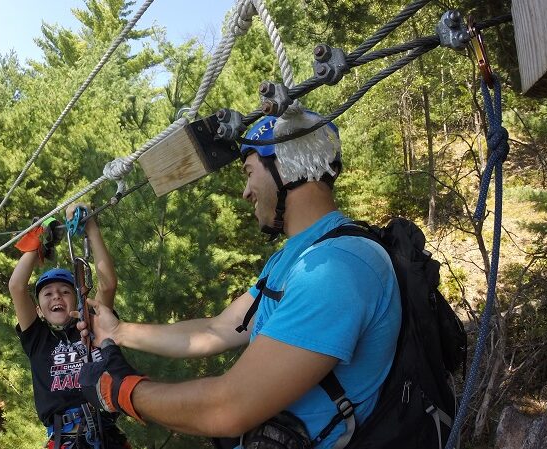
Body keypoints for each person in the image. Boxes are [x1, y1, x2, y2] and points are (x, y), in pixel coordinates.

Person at [75, 110, 402, 448]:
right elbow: (218, 329)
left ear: (285, 169)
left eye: (249, 173)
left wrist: (123, 392)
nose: (246, 192)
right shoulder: (295, 258)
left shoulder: (334, 269)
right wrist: (118, 331)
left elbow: (228, 408)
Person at [9, 203, 129, 449]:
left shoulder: (92, 324)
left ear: (77, 300)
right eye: (48, 294)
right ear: (38, 310)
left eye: (65, 292)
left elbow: (107, 285)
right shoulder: (37, 340)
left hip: (107, 437)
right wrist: (38, 242)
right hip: (65, 440)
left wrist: (91, 228)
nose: (56, 297)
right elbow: (16, 287)